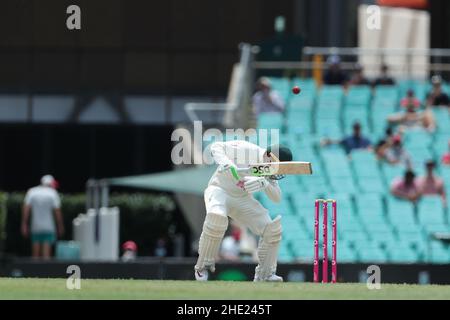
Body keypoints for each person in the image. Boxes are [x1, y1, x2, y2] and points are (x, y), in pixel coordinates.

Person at [194, 141, 293, 282]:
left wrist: (265, 184)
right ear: (269, 156)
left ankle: (265, 275)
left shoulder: (268, 169)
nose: (277, 172)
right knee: (217, 218)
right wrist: (227, 163)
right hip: (219, 190)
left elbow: (277, 197)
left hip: (241, 198)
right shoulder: (247, 150)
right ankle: (202, 267)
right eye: (277, 166)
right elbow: (216, 146)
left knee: (271, 229)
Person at [21, 175, 64, 259]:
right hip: (49, 226)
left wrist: (24, 224)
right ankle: (46, 271)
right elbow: (57, 212)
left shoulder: (32, 192)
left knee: (35, 255)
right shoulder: (53, 193)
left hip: (35, 226)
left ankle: (34, 271)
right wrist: (60, 226)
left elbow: (26, 209)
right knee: (46, 255)